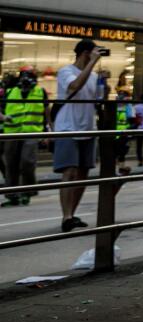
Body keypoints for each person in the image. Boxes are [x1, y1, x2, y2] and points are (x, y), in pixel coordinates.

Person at [53, 38, 108, 232]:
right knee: (69, 171)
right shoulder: (65, 71)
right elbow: (74, 86)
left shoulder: (93, 76)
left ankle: (72, 214)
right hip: (68, 127)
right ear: (85, 53)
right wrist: (93, 62)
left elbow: (99, 101)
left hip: (88, 128)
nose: (98, 55)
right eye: (95, 52)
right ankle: (66, 216)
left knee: (83, 173)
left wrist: (104, 83)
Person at [1, 67, 47, 206]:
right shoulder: (10, 92)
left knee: (27, 162)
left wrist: (48, 131)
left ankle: (28, 192)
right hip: (12, 133)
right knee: (11, 165)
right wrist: (3, 117)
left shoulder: (40, 92)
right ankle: (12, 196)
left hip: (31, 132)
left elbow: (46, 112)